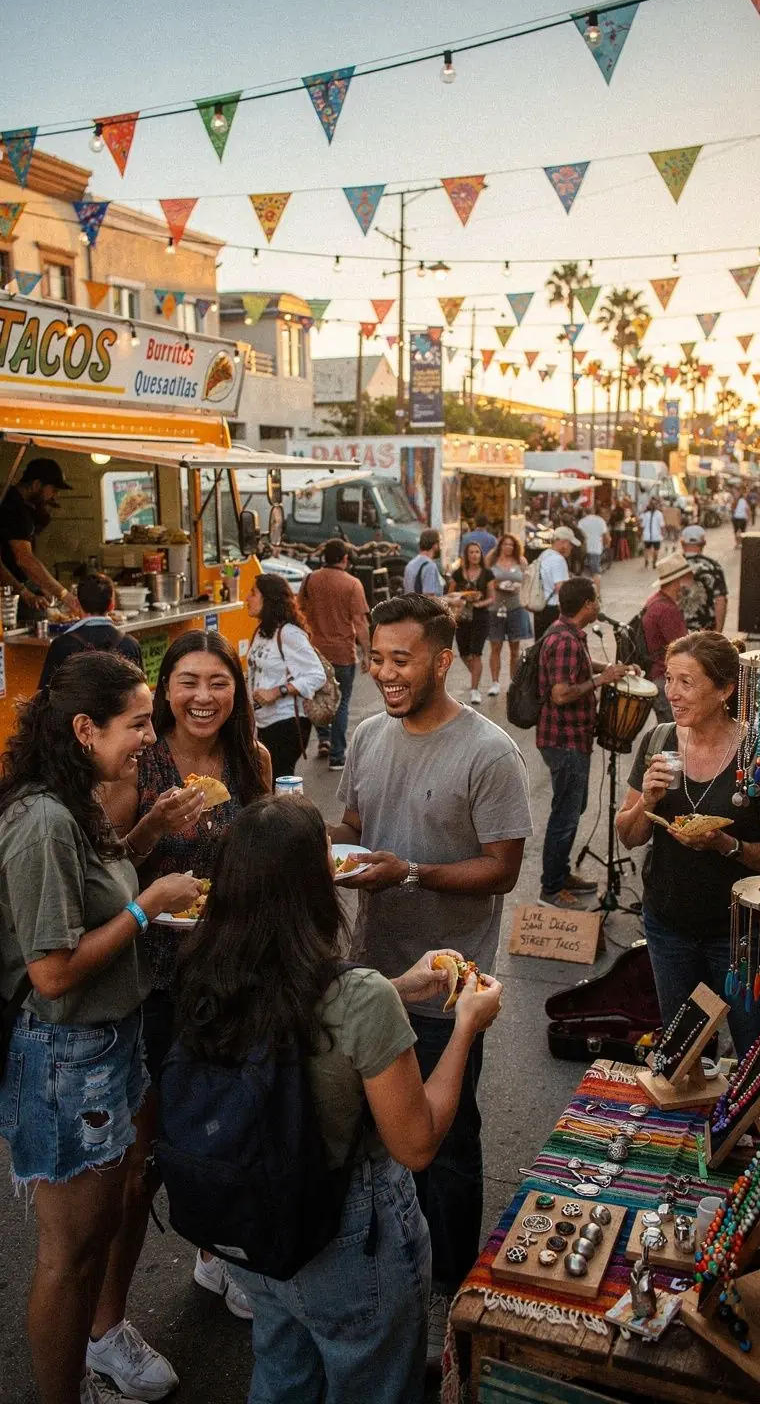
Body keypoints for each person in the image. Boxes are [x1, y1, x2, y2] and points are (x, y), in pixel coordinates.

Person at [172, 796, 502, 1404]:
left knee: (282, 1373)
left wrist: (397, 986)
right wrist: (465, 1028)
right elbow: (418, 1142)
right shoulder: (357, 997)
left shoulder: (208, 968)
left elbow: (309, 1017)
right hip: (350, 1240)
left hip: (256, 1230)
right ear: (315, 887)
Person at [332, 593, 532, 1360]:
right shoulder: (367, 736)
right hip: (369, 974)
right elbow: (354, 828)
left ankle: (449, 1289)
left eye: (401, 659)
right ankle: (388, 1269)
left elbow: (503, 869)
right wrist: (317, 846)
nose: (384, 673)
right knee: (369, 1137)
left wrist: (410, 872)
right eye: (376, 658)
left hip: (449, 986)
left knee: (446, 1144)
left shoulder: (488, 752)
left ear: (442, 659)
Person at [0, 653, 200, 1404]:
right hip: (65, 1054)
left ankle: (87, 1367)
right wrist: (149, 905)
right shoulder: (43, 819)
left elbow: (91, 890)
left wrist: (146, 830)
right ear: (85, 728)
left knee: (94, 1238)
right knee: (69, 1254)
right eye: (138, 723)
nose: (152, 737)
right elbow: (52, 970)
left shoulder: (77, 798)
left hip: (107, 1043)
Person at [94, 630, 272, 1355]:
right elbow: (100, 877)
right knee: (140, 1167)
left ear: (237, 689)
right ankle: (105, 1327)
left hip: (231, 979)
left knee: (227, 1134)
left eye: (219, 682)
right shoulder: (138, 766)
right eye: (188, 682)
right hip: (153, 985)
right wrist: (150, 826)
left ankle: (215, 1257)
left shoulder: (252, 760)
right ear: (164, 692)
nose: (204, 697)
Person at [616, 632, 760, 1058]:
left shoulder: (759, 755)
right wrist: (647, 803)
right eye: (669, 679)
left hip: (740, 935)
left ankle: (750, 1127)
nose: (671, 693)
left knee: (753, 1056)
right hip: (668, 926)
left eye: (686, 682)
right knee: (685, 1055)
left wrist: (727, 844)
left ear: (725, 689)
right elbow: (629, 834)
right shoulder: (659, 742)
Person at [536, 577, 628, 909]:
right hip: (564, 740)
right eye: (597, 601)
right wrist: (601, 680)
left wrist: (609, 669)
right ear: (588, 605)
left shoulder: (570, 634)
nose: (599, 606)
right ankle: (550, 887)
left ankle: (560, 873)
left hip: (572, 739)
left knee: (574, 808)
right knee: (566, 814)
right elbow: (561, 693)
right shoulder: (564, 640)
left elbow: (577, 670)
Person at [299, 539, 370, 771]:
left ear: (324, 557)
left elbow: (299, 609)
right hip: (342, 653)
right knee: (341, 703)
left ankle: (324, 739)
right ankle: (337, 756)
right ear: (345, 559)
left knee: (318, 698)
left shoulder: (310, 579)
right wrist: (368, 653)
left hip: (314, 653)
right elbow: (360, 622)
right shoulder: (353, 584)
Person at [247, 573, 327, 777]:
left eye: (253, 593)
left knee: (279, 782)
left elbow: (317, 675)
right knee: (266, 783)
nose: (247, 599)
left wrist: (277, 691)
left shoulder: (289, 633)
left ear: (268, 598)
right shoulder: (261, 632)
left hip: (286, 723)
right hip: (262, 721)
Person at [0, 457, 81, 617]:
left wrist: (42, 587)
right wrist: (64, 595)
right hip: (8, 599)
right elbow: (25, 560)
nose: (54, 497)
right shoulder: (16, 510)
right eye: (53, 490)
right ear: (36, 485)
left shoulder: (11, 502)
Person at [38, 572, 143, 689]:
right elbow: (141, 695)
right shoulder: (130, 645)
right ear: (112, 605)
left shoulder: (61, 645)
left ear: (77, 604)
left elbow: (45, 697)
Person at [642, 553, 694, 723]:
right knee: (673, 736)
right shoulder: (667, 610)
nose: (691, 584)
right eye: (688, 579)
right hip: (664, 678)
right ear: (678, 581)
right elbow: (683, 649)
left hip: (658, 675)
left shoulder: (655, 600)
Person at [485, 533, 532, 697]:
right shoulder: (492, 560)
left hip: (516, 607)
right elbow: (485, 578)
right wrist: (495, 585)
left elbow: (528, 581)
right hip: (496, 607)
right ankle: (495, 682)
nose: (508, 547)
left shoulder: (521, 561)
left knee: (515, 648)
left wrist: (520, 588)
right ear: (500, 546)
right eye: (505, 544)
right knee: (495, 646)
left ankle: (513, 682)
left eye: (511, 545)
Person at [447, 541, 494, 704]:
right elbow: (449, 595)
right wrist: (460, 598)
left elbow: (491, 598)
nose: (475, 555)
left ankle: (475, 689)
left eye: (477, 552)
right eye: (471, 552)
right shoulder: (458, 574)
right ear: (466, 556)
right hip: (462, 618)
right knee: (464, 653)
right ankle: (476, 675)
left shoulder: (487, 574)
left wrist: (478, 603)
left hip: (480, 617)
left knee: (476, 653)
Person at [533, 525, 582, 637]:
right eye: (570, 544)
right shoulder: (558, 560)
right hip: (553, 609)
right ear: (564, 543)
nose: (571, 548)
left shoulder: (545, 554)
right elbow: (561, 589)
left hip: (542, 606)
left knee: (542, 645)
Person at [678, 526, 728, 633]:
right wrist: (718, 632)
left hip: (677, 632)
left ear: (682, 543)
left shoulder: (672, 566)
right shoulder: (713, 567)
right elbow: (721, 600)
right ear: (703, 543)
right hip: (705, 632)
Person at [578, 506, 610, 594]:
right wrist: (605, 546)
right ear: (593, 511)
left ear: (584, 512)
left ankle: (585, 594)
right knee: (596, 573)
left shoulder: (581, 522)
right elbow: (607, 537)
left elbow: (579, 535)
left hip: (584, 550)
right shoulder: (600, 520)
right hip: (596, 549)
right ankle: (597, 595)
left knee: (585, 573)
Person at [403, 529, 445, 595]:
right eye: (441, 543)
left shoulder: (410, 564)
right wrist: (451, 601)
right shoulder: (430, 566)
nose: (442, 547)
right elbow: (429, 598)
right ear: (435, 545)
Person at [639, 497, 665, 569]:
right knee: (655, 550)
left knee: (647, 549)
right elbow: (662, 525)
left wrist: (641, 533)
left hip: (648, 535)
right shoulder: (659, 514)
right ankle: (654, 561)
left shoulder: (646, 514)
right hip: (656, 536)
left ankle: (647, 561)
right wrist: (663, 533)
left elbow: (642, 525)